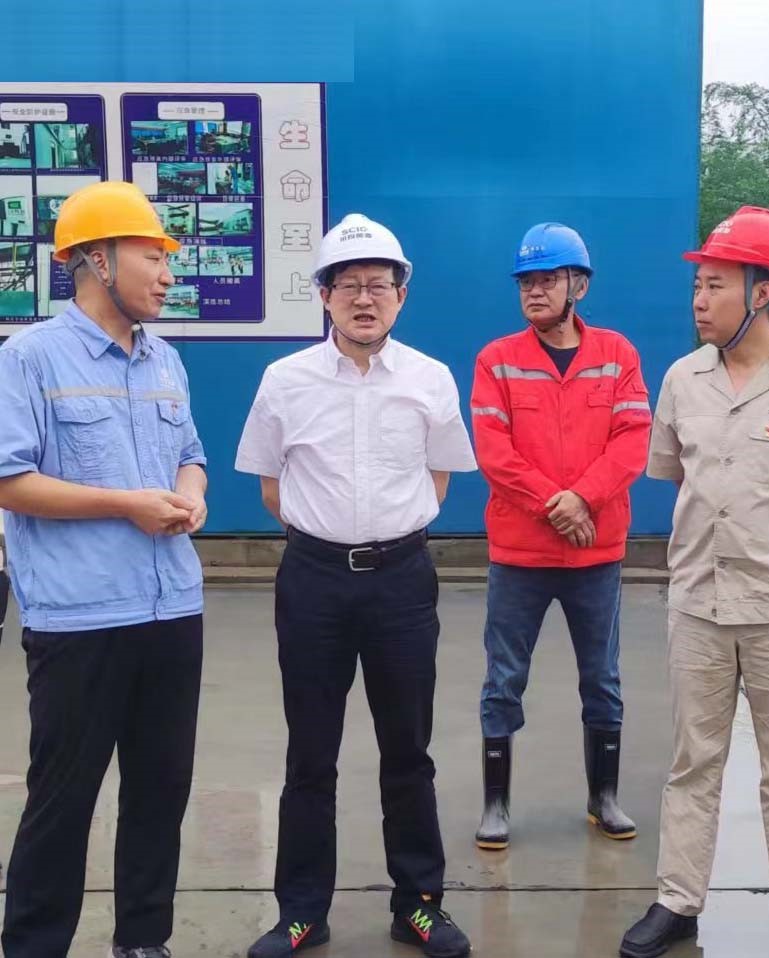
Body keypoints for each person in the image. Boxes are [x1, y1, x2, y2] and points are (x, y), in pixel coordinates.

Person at [620, 206, 769, 958]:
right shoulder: (682, 379)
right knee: (694, 761)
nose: (699, 299)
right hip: (697, 601)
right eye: (697, 285)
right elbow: (676, 475)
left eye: (716, 284)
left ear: (763, 292)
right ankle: (678, 902)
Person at [236, 214, 477, 958]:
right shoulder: (285, 381)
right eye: (348, 285)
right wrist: (330, 537)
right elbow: (272, 489)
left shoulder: (430, 378)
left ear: (402, 294)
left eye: (379, 284)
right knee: (311, 753)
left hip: (402, 582)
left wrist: (385, 535)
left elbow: (438, 480)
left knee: (409, 749)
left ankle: (420, 904)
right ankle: (301, 911)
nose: (364, 298)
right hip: (313, 584)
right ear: (324, 296)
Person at [0, 180, 208, 958]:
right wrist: (126, 504)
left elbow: (191, 454)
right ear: (96, 260)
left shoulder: (165, 361)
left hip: (171, 608)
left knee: (161, 791)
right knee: (62, 799)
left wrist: (190, 493)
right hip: (80, 619)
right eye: (151, 256)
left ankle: (143, 941)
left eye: (166, 258)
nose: (166, 274)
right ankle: (34, 946)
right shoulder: (28, 359)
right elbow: (9, 479)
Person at [469, 223, 651, 850]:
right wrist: (557, 505)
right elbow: (494, 452)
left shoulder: (617, 354)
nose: (534, 291)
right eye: (526, 281)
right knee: (503, 678)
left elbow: (632, 441)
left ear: (580, 285)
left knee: (602, 678)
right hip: (520, 553)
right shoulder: (496, 359)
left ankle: (604, 797)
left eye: (548, 279)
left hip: (594, 553)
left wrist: (584, 499)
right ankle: (496, 804)